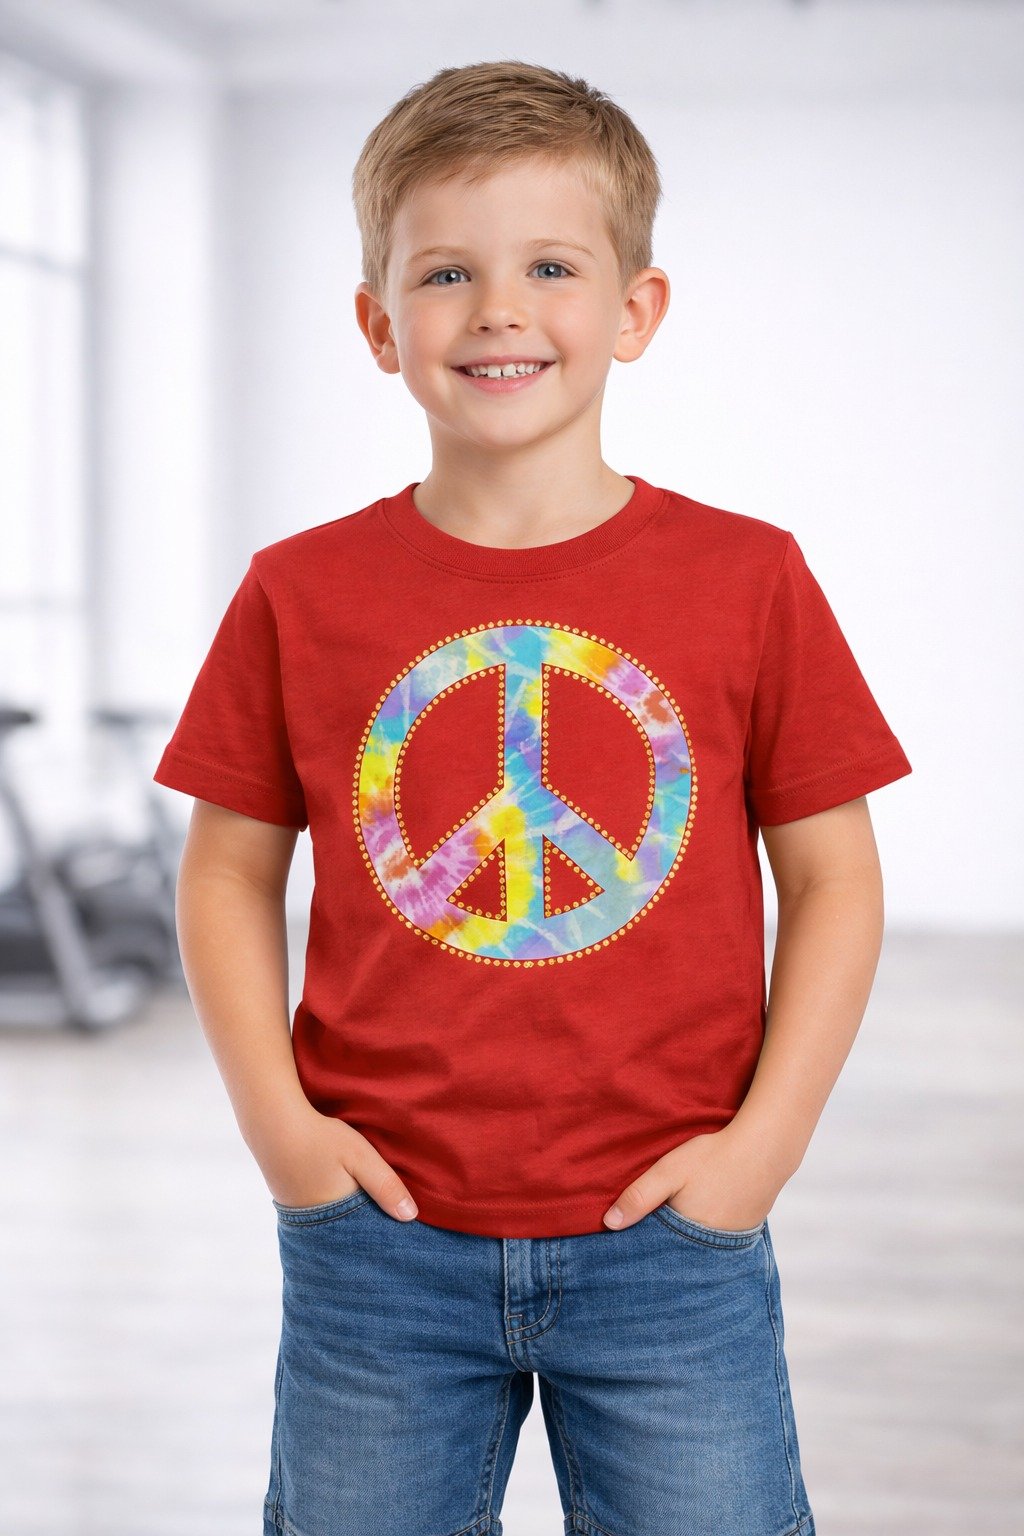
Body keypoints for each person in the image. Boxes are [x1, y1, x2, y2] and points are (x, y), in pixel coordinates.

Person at [153, 59, 912, 1536]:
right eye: (447, 272)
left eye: (551, 266)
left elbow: (836, 880)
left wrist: (756, 1162)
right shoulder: (299, 593)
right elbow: (226, 873)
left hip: (672, 1239)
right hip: (378, 1240)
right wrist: (281, 1138)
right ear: (380, 327)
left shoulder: (749, 580)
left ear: (636, 310)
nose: (499, 309)